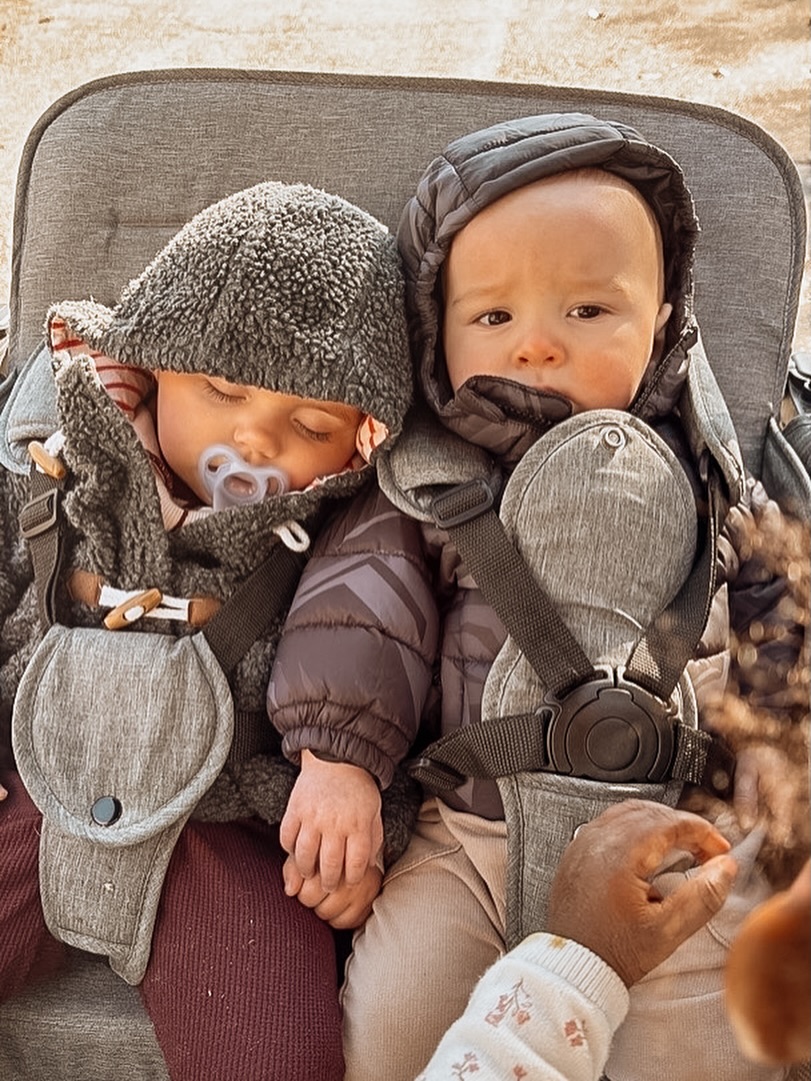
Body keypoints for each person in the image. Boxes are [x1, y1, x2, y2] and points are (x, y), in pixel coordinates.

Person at [266, 113, 806, 1079]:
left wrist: (780, 751)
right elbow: (358, 606)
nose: (537, 347)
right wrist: (337, 757)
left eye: (588, 311)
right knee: (396, 1021)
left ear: (663, 324)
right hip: (475, 831)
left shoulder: (712, 480)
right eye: (492, 318)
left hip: (675, 829)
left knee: (708, 1038)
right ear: (435, 334)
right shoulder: (427, 480)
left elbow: (780, 617)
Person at [0, 179, 417, 1081]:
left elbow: (378, 663)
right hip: (35, 776)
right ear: (152, 366)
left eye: (308, 423)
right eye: (222, 390)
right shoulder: (60, 465)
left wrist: (353, 815)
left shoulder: (351, 531)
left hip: (225, 829)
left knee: (277, 1056)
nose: (253, 441)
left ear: (361, 439)